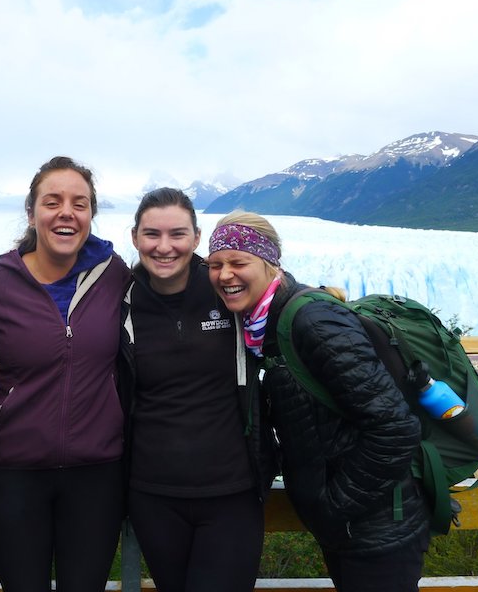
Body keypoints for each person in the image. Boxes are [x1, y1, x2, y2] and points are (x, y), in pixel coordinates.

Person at [206, 210, 431, 592]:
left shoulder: (312, 321)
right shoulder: (267, 325)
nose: (225, 274)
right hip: (353, 527)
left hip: (377, 526)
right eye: (215, 264)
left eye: (238, 262)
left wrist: (333, 507)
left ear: (269, 264)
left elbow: (395, 428)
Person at [0, 156, 130, 591]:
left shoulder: (115, 275)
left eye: (79, 203)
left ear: (91, 215)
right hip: (16, 474)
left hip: (97, 473)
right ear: (31, 213)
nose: (67, 212)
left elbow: (178, 290)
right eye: (53, 201)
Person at [119, 189, 277, 592]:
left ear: (196, 237)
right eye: (152, 234)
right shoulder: (119, 300)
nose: (165, 247)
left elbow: (278, 295)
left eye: (178, 234)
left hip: (232, 491)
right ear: (135, 236)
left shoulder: (225, 287)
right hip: (153, 493)